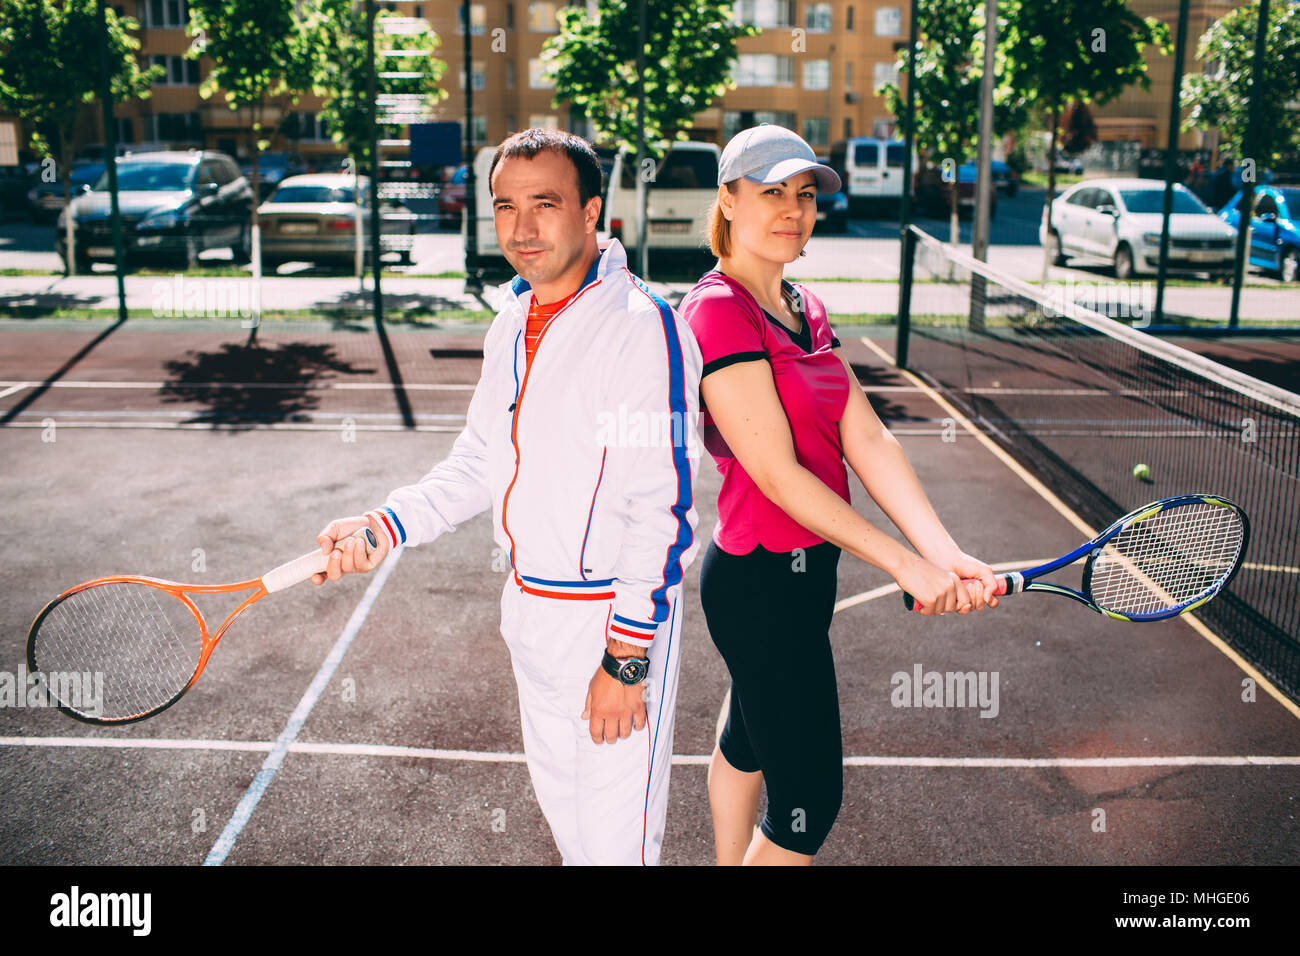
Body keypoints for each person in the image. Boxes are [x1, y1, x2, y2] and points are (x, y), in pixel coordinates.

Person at [311, 128, 701, 866]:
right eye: (504, 206)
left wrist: (626, 660)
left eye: (545, 204)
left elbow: (665, 511)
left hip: (611, 626)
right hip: (531, 616)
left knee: (620, 855)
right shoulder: (509, 322)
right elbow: (481, 461)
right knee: (576, 846)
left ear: (592, 213)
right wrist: (385, 525)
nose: (522, 228)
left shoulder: (642, 327)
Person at [679, 124, 999, 866]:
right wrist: (903, 565)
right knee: (808, 802)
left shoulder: (803, 305)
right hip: (758, 583)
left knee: (748, 736)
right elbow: (777, 474)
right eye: (771, 194)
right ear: (727, 200)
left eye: (804, 195)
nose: (794, 210)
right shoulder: (717, 311)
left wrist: (944, 553)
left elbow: (869, 440)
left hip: (804, 576)